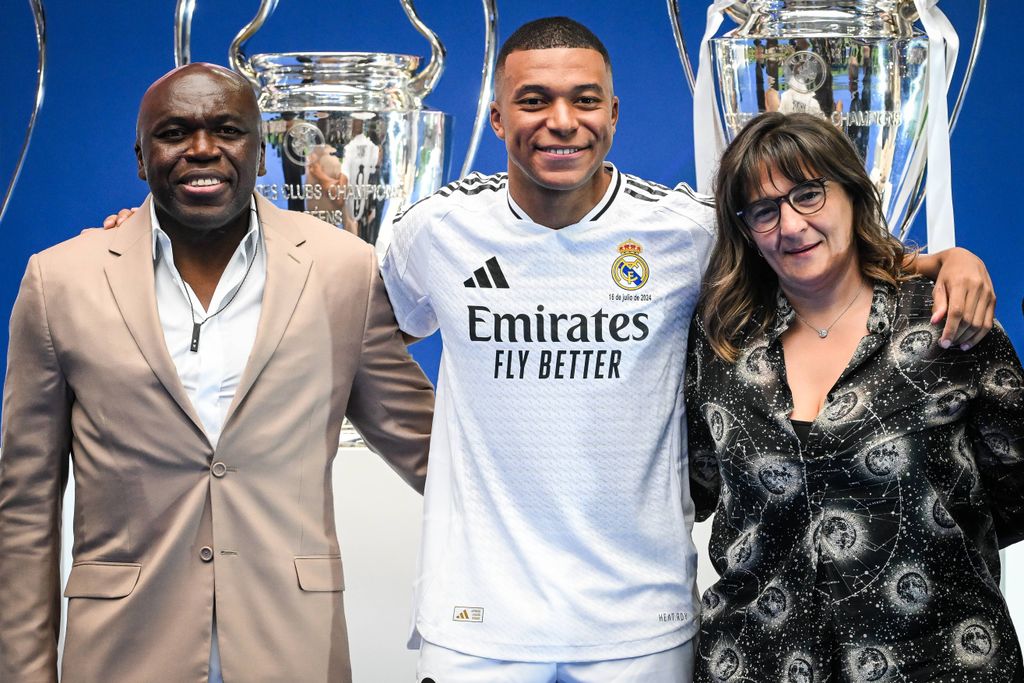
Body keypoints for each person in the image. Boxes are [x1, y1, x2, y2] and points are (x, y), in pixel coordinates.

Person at [378, 17, 999, 683]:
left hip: (640, 626)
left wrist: (947, 262)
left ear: (613, 114)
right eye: (534, 100)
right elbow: (364, 334)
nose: (562, 120)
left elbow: (821, 257)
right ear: (497, 118)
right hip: (476, 623)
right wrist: (426, 449)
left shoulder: (685, 232)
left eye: (585, 100)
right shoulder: (435, 230)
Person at [0, 63, 434, 682]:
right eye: (174, 133)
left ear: (260, 154)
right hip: (120, 653)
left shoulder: (344, 270)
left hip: (292, 650)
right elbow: (23, 507)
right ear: (141, 158)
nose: (202, 149)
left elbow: (436, 456)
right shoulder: (59, 280)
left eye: (227, 130)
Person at [686, 112, 1024, 682]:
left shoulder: (946, 321)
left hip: (937, 661)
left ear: (851, 192)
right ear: (744, 229)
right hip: (755, 663)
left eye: (808, 195)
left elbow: (1014, 493)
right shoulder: (721, 339)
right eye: (764, 211)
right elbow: (693, 488)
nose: (790, 226)